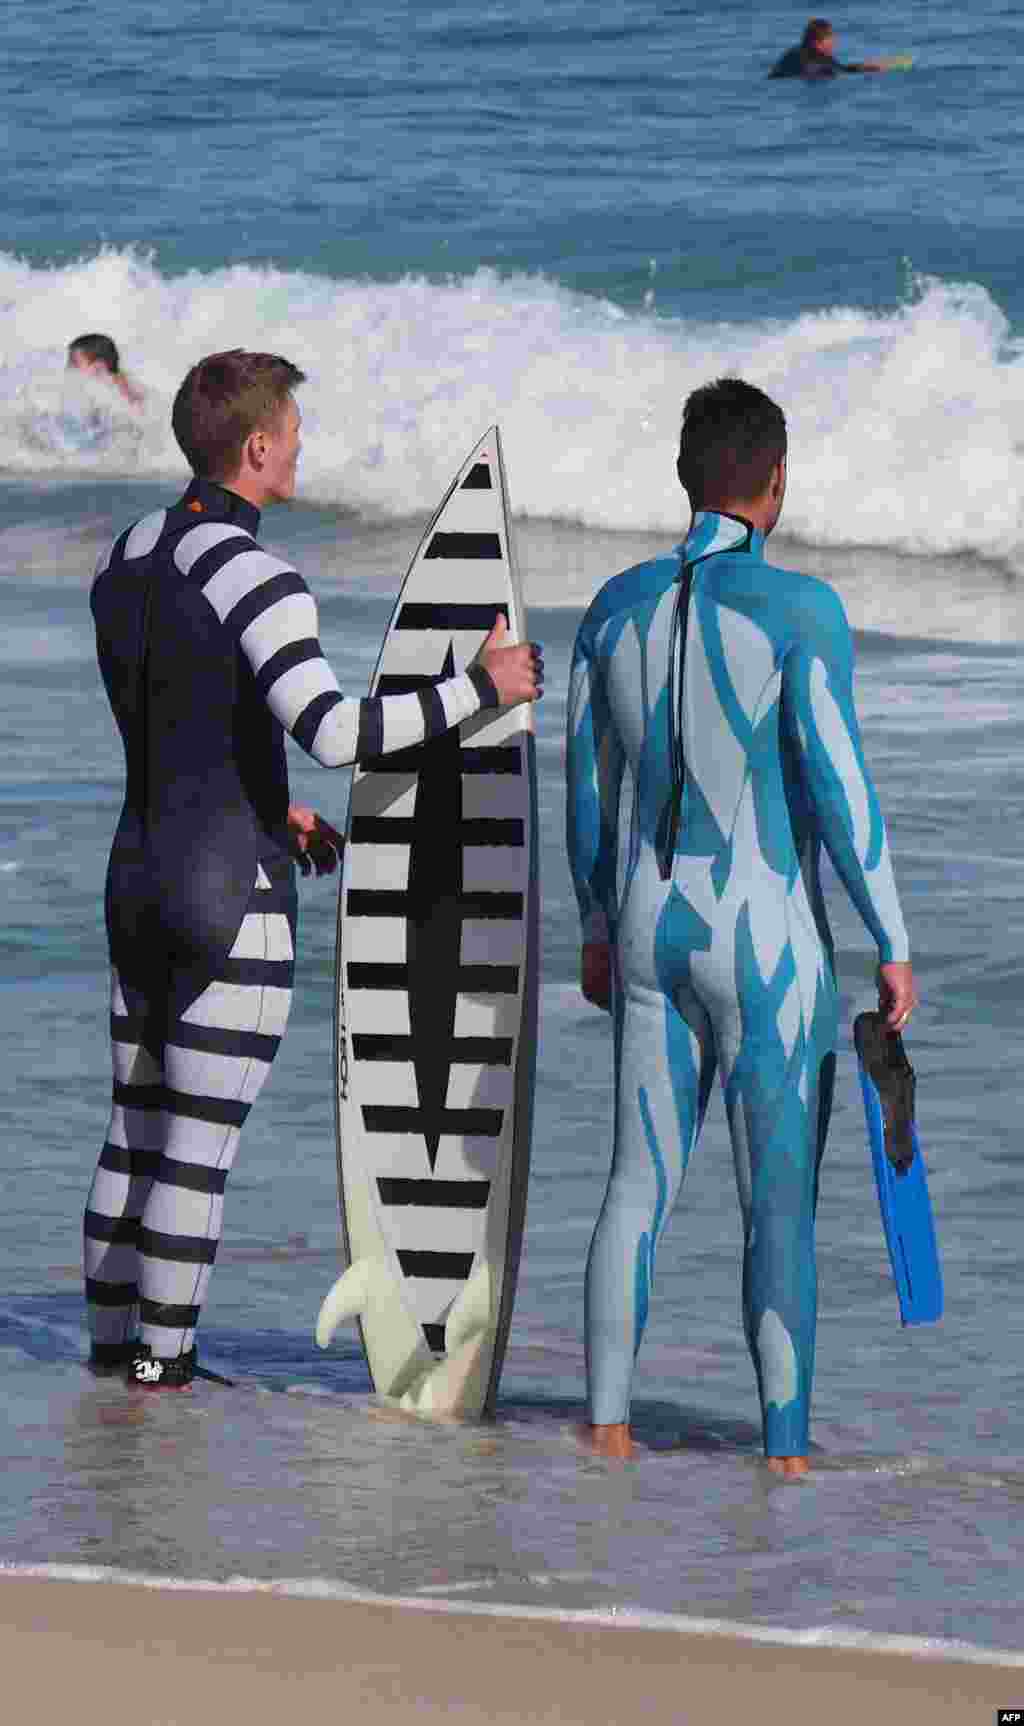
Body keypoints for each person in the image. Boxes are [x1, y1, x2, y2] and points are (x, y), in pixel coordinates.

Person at [85, 349, 543, 1388]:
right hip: (226, 899)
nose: (301, 445)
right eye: (291, 430)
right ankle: (164, 1377)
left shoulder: (125, 555)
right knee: (194, 1150)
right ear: (255, 447)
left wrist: (264, 801)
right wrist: (479, 684)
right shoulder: (258, 573)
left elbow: (178, 722)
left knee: (132, 1137)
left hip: (138, 878)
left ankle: (109, 1366)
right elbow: (336, 734)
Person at [565, 378, 916, 1473]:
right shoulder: (800, 610)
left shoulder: (610, 608)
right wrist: (891, 938)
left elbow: (587, 796)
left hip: (646, 928)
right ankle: (785, 1456)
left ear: (686, 476)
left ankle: (607, 1432)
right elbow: (840, 785)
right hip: (765, 941)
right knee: (778, 1210)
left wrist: (591, 923)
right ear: (773, 485)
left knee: (635, 1185)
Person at [769, 17, 897, 78]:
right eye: (830, 39)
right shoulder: (820, 58)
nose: (834, 43)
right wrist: (874, 67)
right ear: (818, 42)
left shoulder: (792, 52)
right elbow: (841, 70)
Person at [67, 332, 144, 405]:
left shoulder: (122, 396)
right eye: (69, 363)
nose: (68, 368)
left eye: (74, 363)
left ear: (99, 367)